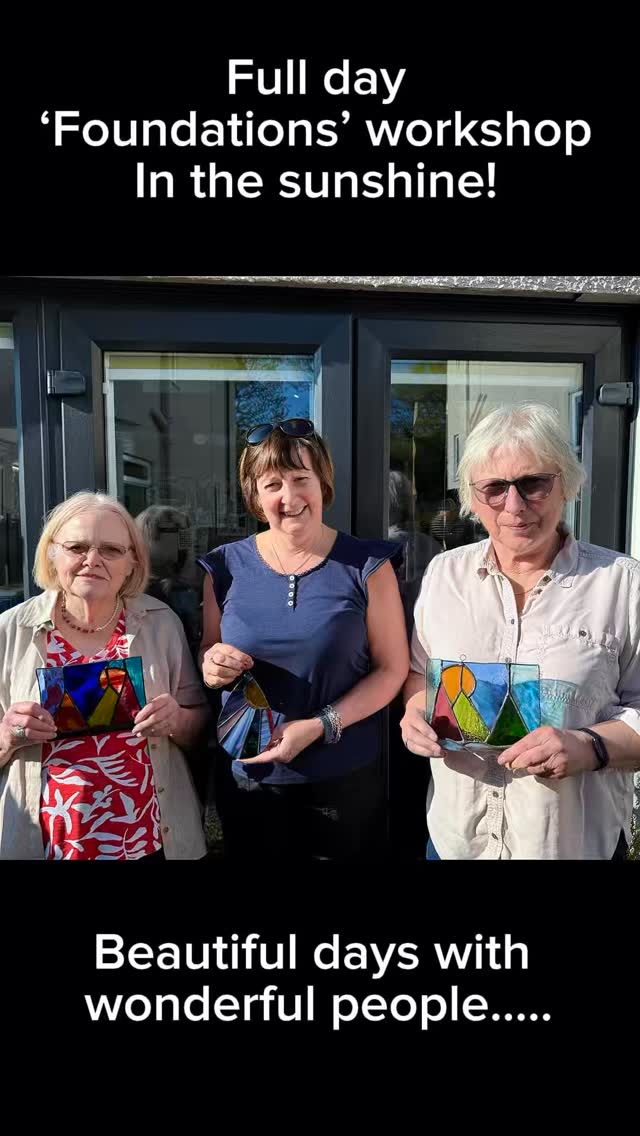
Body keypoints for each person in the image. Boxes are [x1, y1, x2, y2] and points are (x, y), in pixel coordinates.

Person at [401, 403, 640, 860]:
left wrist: (590, 746)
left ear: (565, 483)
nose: (514, 506)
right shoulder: (443, 575)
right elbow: (419, 673)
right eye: (494, 488)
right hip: (458, 843)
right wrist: (416, 712)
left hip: (568, 845)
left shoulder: (623, 584)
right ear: (472, 497)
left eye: (533, 484)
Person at [198, 418, 409, 862]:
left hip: (343, 783)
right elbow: (208, 652)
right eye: (272, 483)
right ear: (255, 495)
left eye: (300, 479)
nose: (288, 497)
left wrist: (320, 725)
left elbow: (393, 669)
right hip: (249, 782)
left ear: (323, 483)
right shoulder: (225, 566)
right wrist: (212, 663)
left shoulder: (367, 565)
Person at [0, 492, 209, 859]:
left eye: (111, 550)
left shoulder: (160, 624)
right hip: (47, 845)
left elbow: (200, 726)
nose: (92, 561)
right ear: (52, 552)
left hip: (149, 842)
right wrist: (7, 735)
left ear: (132, 561)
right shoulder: (10, 630)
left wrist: (176, 719)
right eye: (77, 547)